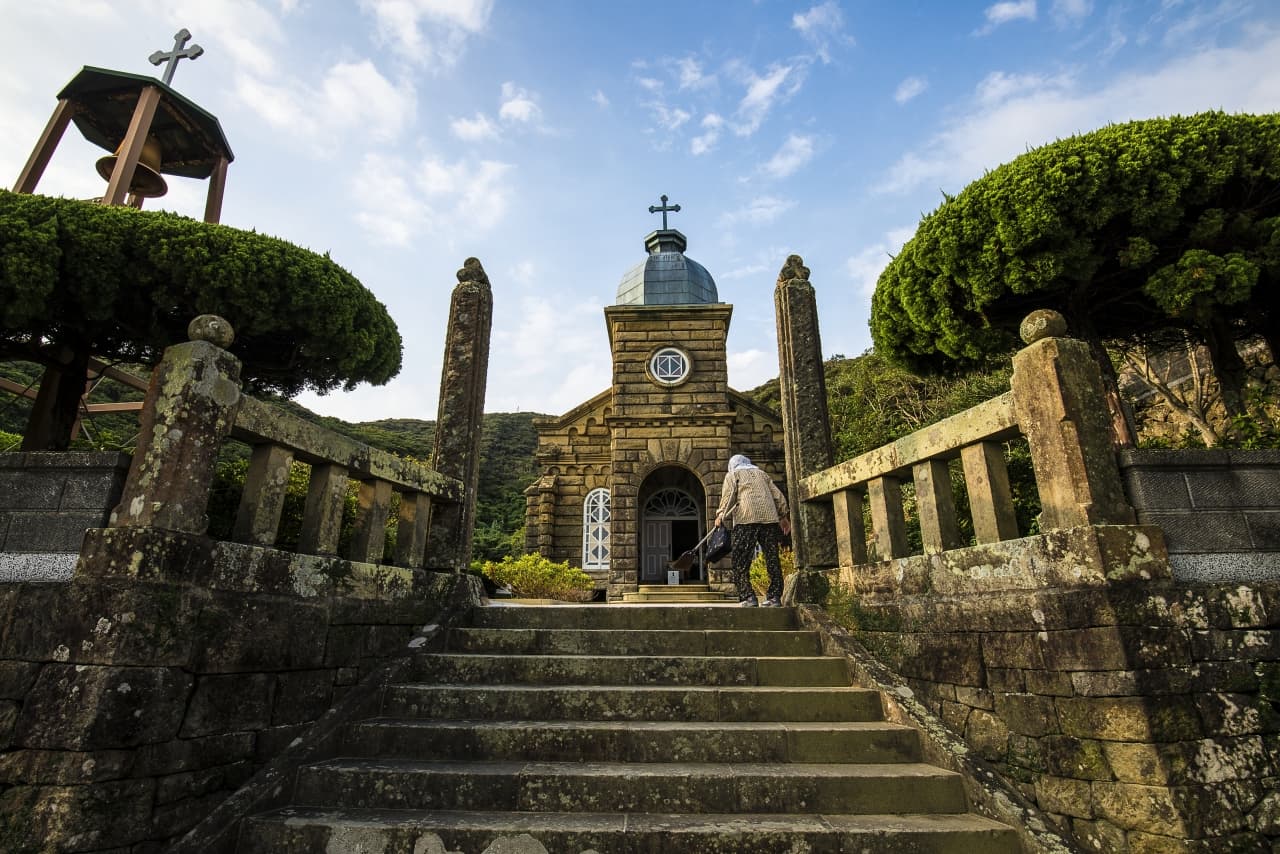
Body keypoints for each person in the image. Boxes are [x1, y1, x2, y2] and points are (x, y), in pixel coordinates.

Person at [714, 454, 790, 607]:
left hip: (746, 518)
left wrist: (721, 514)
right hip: (769, 518)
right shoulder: (762, 474)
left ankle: (749, 597)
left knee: (740, 559)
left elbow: (729, 496)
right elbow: (778, 496)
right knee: (772, 558)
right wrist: (783, 516)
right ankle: (775, 597)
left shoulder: (733, 474)